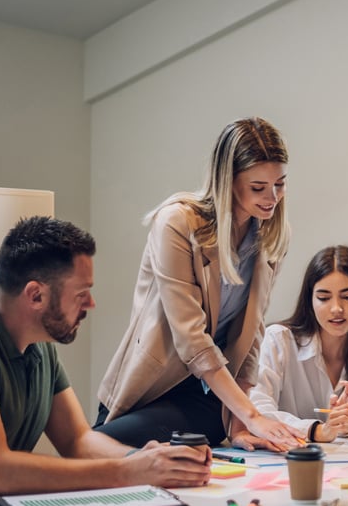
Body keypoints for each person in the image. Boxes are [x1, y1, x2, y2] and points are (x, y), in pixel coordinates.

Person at [0, 217, 211, 501]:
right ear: (36, 295)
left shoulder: (38, 344)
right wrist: (128, 472)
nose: (90, 304)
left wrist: (149, 460)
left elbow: (77, 440)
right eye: (81, 294)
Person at [95, 117, 301, 450]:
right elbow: (191, 339)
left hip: (208, 398)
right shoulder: (178, 222)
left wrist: (239, 424)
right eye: (258, 187)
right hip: (150, 390)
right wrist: (251, 415)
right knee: (89, 455)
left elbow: (252, 334)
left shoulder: (272, 237)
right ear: (228, 182)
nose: (272, 197)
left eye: (280, 184)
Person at [249, 246, 348, 443]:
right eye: (324, 298)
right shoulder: (278, 341)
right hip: (285, 465)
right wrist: (317, 431)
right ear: (310, 300)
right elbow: (257, 412)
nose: (336, 308)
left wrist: (346, 425)